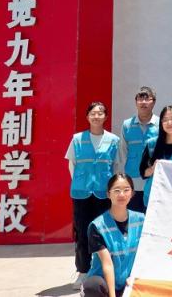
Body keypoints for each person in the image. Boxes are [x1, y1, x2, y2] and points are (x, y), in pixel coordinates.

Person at [65, 102, 125, 290]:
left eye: (100, 113)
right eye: (93, 113)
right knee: (82, 233)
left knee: (104, 232)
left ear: (105, 117)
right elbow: (72, 165)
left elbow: (116, 166)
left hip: (103, 194)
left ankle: (102, 269)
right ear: (87, 116)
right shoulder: (77, 139)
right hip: (82, 193)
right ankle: (83, 271)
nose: (96, 116)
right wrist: (82, 183)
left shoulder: (113, 140)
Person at [83, 173, 145, 297]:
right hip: (106, 284)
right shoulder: (97, 226)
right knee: (93, 285)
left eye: (126, 190)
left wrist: (136, 278)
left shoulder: (142, 220)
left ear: (132, 193)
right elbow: (107, 264)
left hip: (129, 281)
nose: (122, 194)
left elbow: (145, 255)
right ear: (108, 194)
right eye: (117, 190)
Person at [120, 86, 159, 212]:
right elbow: (122, 153)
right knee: (134, 219)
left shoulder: (160, 124)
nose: (143, 102)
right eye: (140, 99)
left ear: (154, 102)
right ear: (136, 102)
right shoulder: (127, 125)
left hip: (154, 183)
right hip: (132, 182)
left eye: (147, 99)